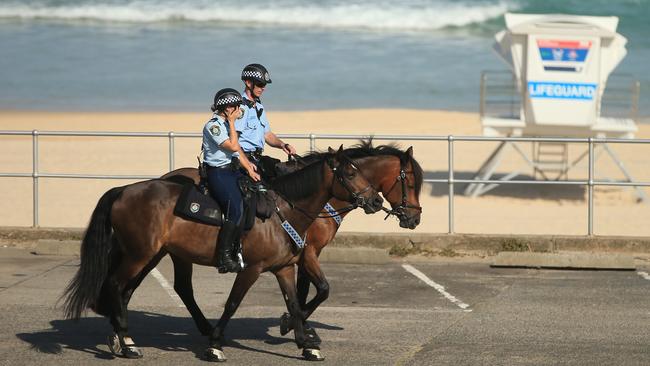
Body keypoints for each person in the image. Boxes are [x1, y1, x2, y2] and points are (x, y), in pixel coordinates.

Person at [202, 88, 260, 273]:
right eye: (235, 106)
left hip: (231, 170)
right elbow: (233, 145)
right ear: (226, 108)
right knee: (235, 209)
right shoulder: (214, 126)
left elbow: (238, 151)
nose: (238, 109)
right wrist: (233, 122)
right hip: (217, 173)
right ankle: (224, 257)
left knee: (253, 196)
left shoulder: (227, 123)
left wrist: (248, 167)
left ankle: (240, 246)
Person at [237, 63, 297, 177]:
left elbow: (267, 134)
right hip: (243, 159)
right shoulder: (240, 108)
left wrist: (283, 145)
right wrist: (246, 163)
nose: (263, 88)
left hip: (257, 158)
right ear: (248, 83)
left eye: (264, 84)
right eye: (260, 84)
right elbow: (233, 141)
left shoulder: (258, 106)